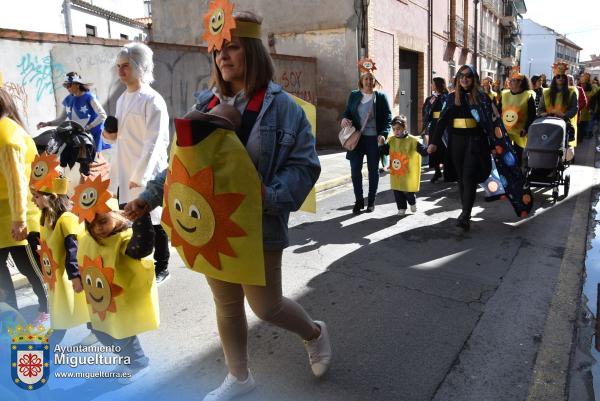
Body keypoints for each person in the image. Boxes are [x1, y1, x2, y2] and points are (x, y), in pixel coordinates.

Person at [125, 7, 328, 401]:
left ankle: (314, 333)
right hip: (211, 224)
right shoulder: (205, 103)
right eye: (218, 51)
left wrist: (267, 197)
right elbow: (182, 165)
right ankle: (239, 377)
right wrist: (147, 198)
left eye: (232, 48)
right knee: (227, 302)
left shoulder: (285, 108)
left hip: (260, 224)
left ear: (252, 51)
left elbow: (306, 166)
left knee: (266, 307)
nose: (223, 57)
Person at [74, 180, 158, 383]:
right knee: (102, 332)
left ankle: (138, 362)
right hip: (101, 301)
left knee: (121, 333)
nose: (98, 229)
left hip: (121, 300)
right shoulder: (89, 239)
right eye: (92, 224)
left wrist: (141, 218)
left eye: (102, 221)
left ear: (116, 216)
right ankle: (127, 359)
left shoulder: (124, 239)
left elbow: (142, 248)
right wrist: (76, 276)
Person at [102, 43, 171, 284]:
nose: (121, 71)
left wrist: (140, 176)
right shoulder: (121, 99)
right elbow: (119, 136)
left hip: (146, 172)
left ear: (140, 67)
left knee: (155, 221)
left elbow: (155, 142)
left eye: (126, 66)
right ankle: (140, 268)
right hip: (124, 170)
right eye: (118, 67)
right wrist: (108, 134)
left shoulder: (153, 100)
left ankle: (162, 266)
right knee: (132, 222)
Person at [29, 157, 94, 345]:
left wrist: (75, 276)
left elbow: (72, 249)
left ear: (52, 196)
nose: (34, 201)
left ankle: (48, 346)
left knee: (67, 312)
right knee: (69, 309)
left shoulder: (66, 218)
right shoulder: (47, 218)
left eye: (37, 196)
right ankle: (96, 330)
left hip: (68, 276)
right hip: (57, 277)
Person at [428, 65, 499, 231]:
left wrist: (494, 144)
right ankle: (465, 211)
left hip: (476, 142)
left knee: (469, 177)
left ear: (473, 78)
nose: (464, 79)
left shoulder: (482, 98)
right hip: (456, 142)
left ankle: (465, 214)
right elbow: (442, 121)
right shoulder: (452, 98)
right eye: (461, 76)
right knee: (461, 179)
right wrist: (433, 142)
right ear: (458, 79)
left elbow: (491, 123)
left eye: (468, 76)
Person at [0, 87, 49, 325]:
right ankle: (10, 320)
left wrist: (19, 219)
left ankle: (52, 311)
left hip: (18, 218)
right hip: (4, 219)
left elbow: (17, 181)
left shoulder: (6, 134)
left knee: (33, 270)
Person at [341, 58, 392, 214]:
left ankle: (371, 201)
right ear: (361, 81)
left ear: (374, 81)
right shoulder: (354, 95)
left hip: (373, 140)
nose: (369, 81)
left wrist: (383, 134)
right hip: (357, 139)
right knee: (355, 170)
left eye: (371, 79)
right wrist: (344, 118)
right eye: (366, 79)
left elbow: (388, 118)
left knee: (373, 171)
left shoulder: (380, 97)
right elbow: (348, 111)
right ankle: (358, 200)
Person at [37, 72, 109, 153]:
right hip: (79, 136)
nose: (67, 88)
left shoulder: (89, 97)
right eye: (66, 86)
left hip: (93, 135)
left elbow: (103, 115)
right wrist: (47, 124)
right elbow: (61, 119)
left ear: (77, 84)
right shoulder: (68, 99)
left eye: (69, 85)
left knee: (93, 162)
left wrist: (89, 127)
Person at [379, 115, 428, 215]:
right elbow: (386, 152)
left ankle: (412, 202)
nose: (396, 131)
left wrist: (428, 150)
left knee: (409, 191)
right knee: (397, 190)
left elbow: (422, 150)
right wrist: (381, 144)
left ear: (404, 128)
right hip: (396, 172)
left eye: (398, 129)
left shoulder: (413, 140)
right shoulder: (392, 140)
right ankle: (401, 208)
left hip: (408, 172)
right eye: (394, 129)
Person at [498, 69, 536, 167]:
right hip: (505, 131)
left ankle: (518, 175)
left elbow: (532, 115)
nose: (510, 82)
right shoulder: (504, 94)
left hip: (520, 132)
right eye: (510, 80)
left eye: (513, 80)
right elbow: (498, 111)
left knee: (518, 155)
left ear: (520, 83)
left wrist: (526, 128)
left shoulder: (528, 96)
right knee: (505, 154)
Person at [537, 64, 578, 146]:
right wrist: (543, 113)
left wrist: (565, 114)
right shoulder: (546, 93)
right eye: (558, 76)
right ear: (554, 78)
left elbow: (574, 108)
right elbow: (540, 109)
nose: (561, 78)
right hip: (547, 123)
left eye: (563, 76)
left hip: (563, 123)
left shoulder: (571, 92)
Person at [422, 77, 449, 182]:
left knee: (444, 148)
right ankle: (437, 171)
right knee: (434, 148)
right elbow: (426, 110)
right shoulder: (431, 98)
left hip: (444, 126)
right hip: (434, 126)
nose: (431, 85)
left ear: (438, 84)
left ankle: (447, 171)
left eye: (432, 83)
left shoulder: (447, 97)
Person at [578, 72, 596, 139]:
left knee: (584, 124)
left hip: (587, 111)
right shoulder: (578, 89)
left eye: (584, 84)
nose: (583, 85)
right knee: (579, 125)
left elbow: (593, 99)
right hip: (579, 110)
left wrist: (591, 109)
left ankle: (583, 135)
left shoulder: (591, 91)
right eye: (582, 83)